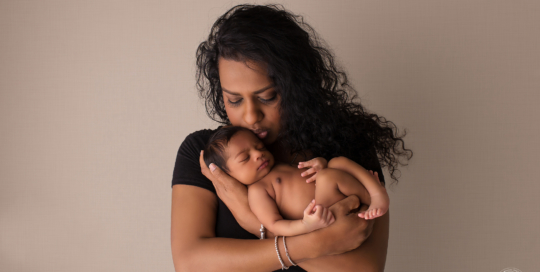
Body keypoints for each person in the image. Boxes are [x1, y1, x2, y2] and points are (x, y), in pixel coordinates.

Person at [171, 4, 412, 272]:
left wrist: (252, 220)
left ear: (296, 86)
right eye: (234, 100)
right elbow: (190, 263)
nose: (251, 116)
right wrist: (317, 242)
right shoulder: (205, 155)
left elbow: (363, 269)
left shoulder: (346, 144)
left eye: (267, 97)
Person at [202, 126, 390, 238]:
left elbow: (313, 175)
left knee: (336, 162)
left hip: (334, 194)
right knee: (328, 176)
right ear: (229, 175)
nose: (258, 154)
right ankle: (369, 196)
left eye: (259, 147)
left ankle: (376, 194)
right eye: (245, 158)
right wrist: (307, 225)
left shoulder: (279, 165)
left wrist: (319, 164)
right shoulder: (257, 191)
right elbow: (274, 225)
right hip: (323, 216)